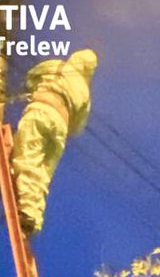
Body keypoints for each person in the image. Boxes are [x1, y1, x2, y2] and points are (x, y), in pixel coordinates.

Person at [10, 48, 98, 236]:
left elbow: (31, 78)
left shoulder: (56, 65)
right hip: (61, 127)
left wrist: (36, 88)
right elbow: (78, 127)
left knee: (28, 159)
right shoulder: (85, 92)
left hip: (41, 110)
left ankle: (26, 209)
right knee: (43, 173)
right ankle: (35, 215)